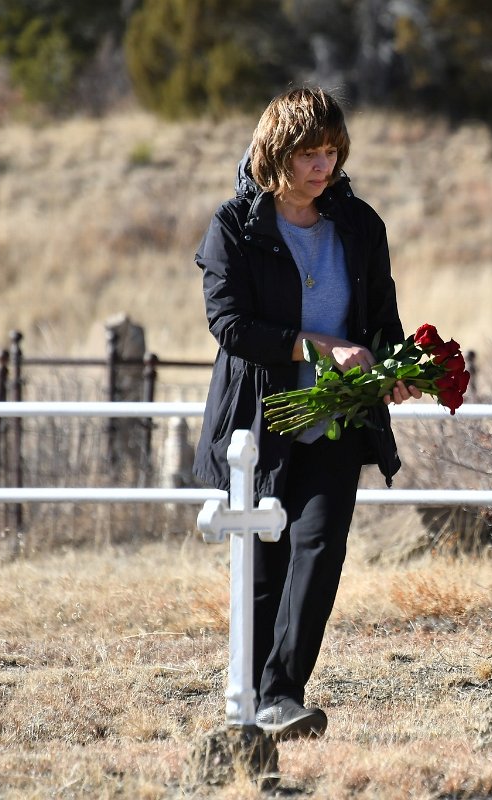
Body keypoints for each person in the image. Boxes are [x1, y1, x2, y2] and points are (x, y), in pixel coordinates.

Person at [193, 87, 419, 740]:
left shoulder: (360, 226)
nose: (323, 167)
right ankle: (257, 693)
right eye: (308, 153)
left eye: (331, 152)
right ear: (276, 153)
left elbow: (381, 321)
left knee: (320, 550)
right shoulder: (235, 227)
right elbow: (229, 325)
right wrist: (313, 344)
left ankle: (282, 694)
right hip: (262, 418)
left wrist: (391, 371)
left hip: (339, 419)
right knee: (266, 558)